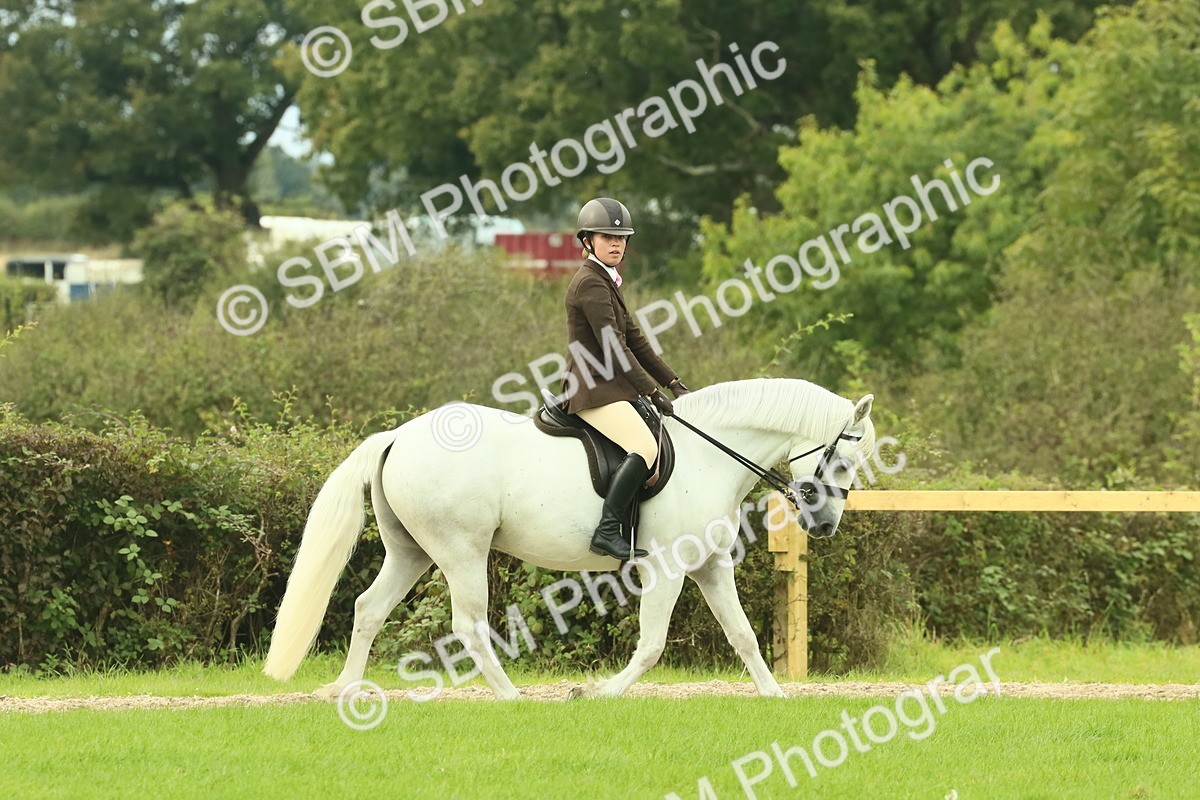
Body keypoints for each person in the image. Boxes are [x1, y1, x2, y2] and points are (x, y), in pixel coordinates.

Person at [561, 197, 690, 560]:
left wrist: (673, 382)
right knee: (646, 447)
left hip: (610, 387)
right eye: (607, 237)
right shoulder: (590, 283)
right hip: (590, 389)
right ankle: (606, 530)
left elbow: (635, 338)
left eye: (621, 237)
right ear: (588, 240)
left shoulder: (606, 280)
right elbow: (615, 350)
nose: (616, 243)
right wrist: (651, 391)